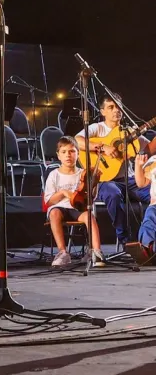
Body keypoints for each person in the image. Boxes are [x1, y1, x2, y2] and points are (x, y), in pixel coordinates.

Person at [76, 96, 150, 247]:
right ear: (102, 111)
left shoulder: (129, 131)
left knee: (154, 192)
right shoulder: (97, 128)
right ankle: (126, 240)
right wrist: (103, 147)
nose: (116, 110)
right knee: (113, 194)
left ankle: (149, 240)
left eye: (118, 107)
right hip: (105, 180)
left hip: (130, 180)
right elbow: (77, 141)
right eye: (111, 107)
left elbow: (149, 149)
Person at [43, 137, 103, 267]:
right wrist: (63, 192)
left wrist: (94, 183)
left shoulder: (83, 173)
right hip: (60, 208)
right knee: (54, 213)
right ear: (58, 155)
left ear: (78, 154)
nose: (68, 155)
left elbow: (91, 198)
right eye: (64, 152)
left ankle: (96, 252)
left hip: (78, 208)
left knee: (89, 216)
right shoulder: (54, 175)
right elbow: (49, 201)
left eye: (72, 151)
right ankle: (63, 252)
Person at [127, 152, 156, 264]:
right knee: (149, 219)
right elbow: (141, 183)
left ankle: (150, 251)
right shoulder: (153, 161)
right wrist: (138, 166)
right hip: (155, 205)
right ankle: (146, 248)